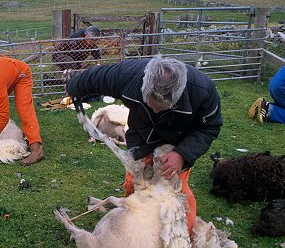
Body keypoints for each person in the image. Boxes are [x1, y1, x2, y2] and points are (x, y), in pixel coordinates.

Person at [66, 55, 222, 232]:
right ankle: (134, 228)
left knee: (175, 194)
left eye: (161, 107)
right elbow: (95, 77)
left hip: (177, 141)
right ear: (144, 87)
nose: (155, 110)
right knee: (134, 183)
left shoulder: (202, 91)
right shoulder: (128, 75)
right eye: (151, 104)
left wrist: (183, 154)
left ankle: (182, 242)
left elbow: (210, 127)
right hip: (141, 135)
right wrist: (74, 87)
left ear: (177, 97)